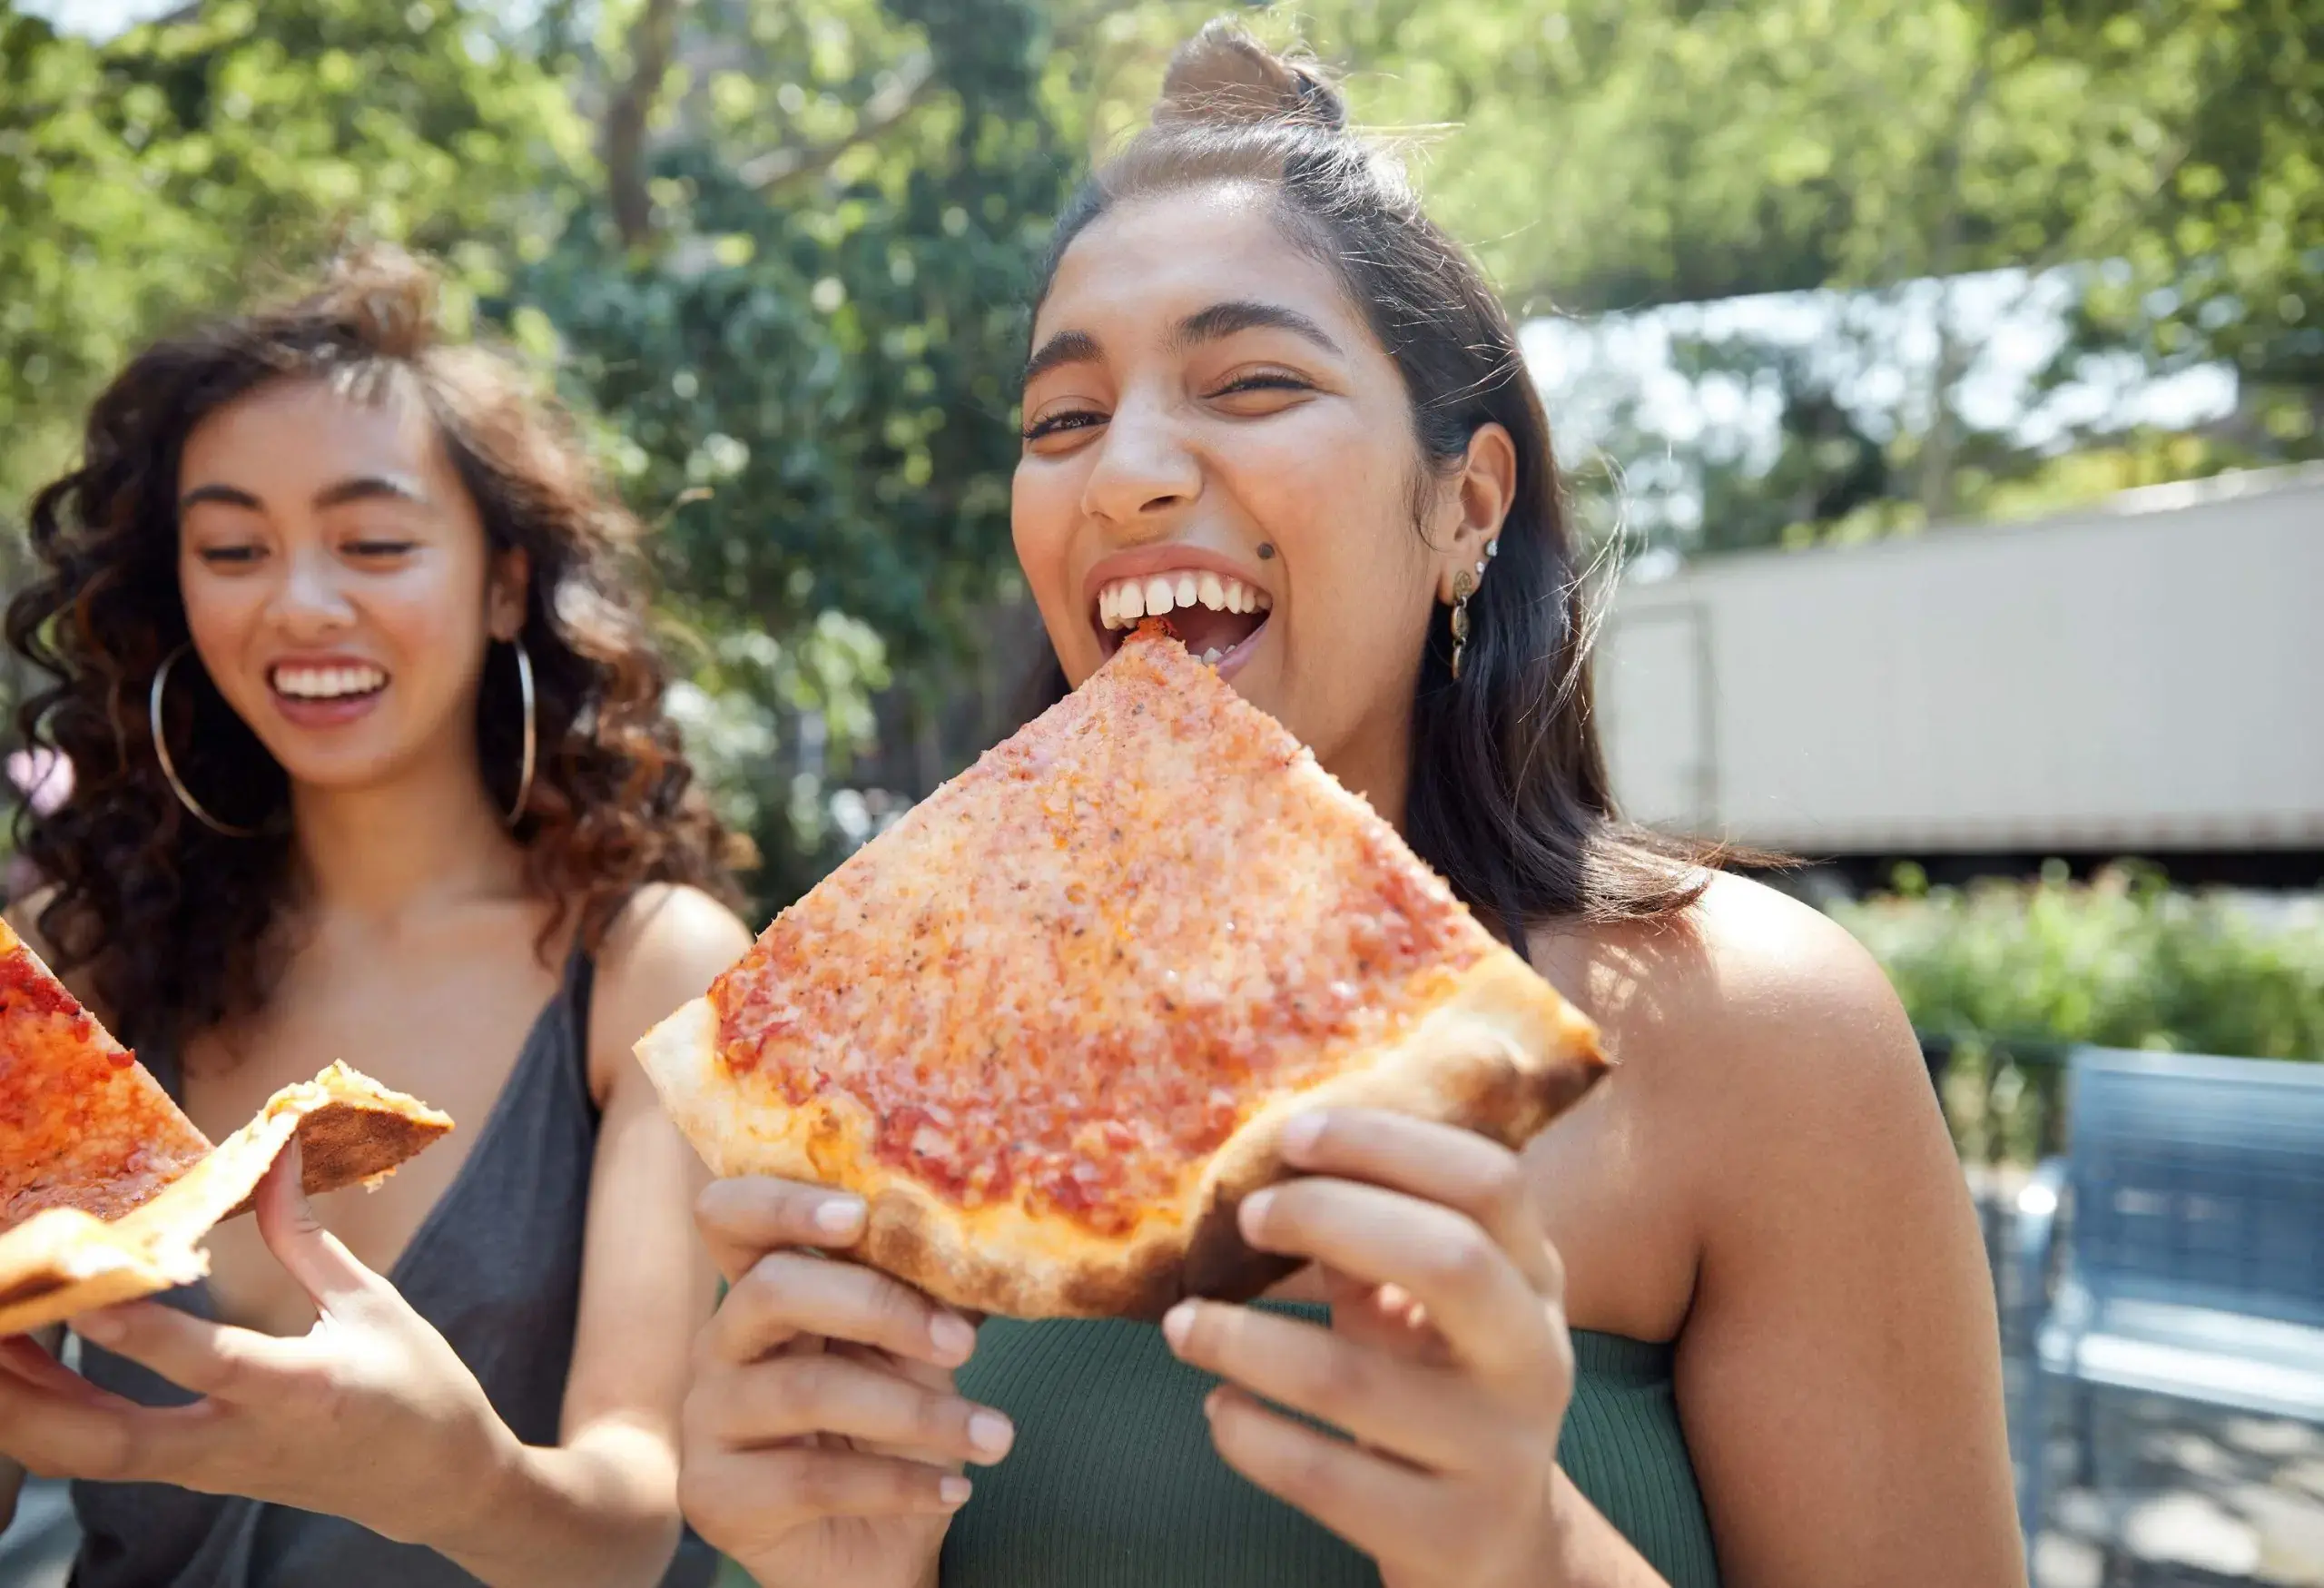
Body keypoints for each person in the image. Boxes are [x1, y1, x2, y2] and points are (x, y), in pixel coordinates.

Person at [674, 21, 2025, 1588]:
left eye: (1249, 379)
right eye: (1062, 419)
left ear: (1466, 505)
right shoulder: (888, 1043)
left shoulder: (1759, 1032)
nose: (1125, 474)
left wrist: (1531, 1552)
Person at [0, 247, 755, 1587]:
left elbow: (634, 1525)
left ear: (506, 582)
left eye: (374, 543)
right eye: (234, 549)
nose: (300, 604)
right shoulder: (81, 956)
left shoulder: (652, 965)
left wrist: (456, 1486)